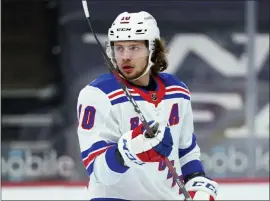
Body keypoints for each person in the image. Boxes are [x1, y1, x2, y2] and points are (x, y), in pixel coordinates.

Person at [77, 11, 218, 200]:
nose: (125, 56)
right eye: (119, 48)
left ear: (153, 49)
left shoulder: (177, 91)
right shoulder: (98, 95)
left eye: (134, 47)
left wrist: (198, 183)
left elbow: (186, 151)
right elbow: (98, 173)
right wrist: (128, 151)